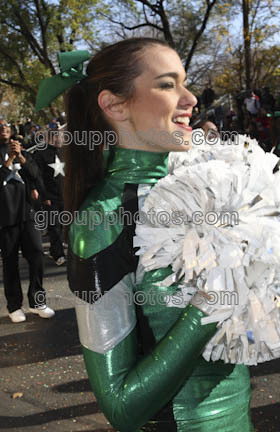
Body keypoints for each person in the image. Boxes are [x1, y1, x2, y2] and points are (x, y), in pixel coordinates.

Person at [59, 38, 252, 431]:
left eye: (185, 82)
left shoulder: (207, 187)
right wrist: (210, 302)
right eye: (167, 85)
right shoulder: (102, 221)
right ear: (115, 105)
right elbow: (121, 409)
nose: (191, 98)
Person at [0, 118, 55, 323]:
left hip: (27, 214)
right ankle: (14, 306)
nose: (4, 128)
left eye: (7, 126)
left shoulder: (22, 151)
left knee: (37, 254)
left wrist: (20, 156)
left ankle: (37, 301)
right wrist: (9, 160)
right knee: (10, 262)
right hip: (4, 216)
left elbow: (36, 175)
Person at [33, 129, 66, 265]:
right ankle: (58, 254)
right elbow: (37, 176)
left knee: (66, 225)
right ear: (52, 138)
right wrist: (44, 195)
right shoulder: (40, 154)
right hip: (50, 197)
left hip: (65, 196)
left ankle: (57, 249)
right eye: (61, 137)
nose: (63, 140)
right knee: (54, 226)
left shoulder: (64, 153)